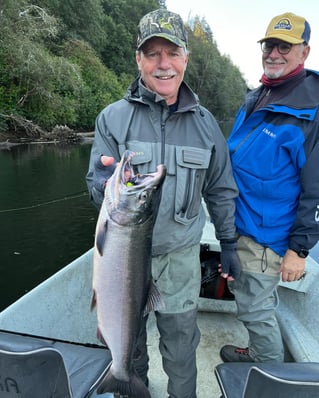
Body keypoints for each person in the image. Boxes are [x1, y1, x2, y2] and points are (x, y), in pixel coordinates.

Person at [86, 7, 241, 398]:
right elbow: (96, 182)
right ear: (138, 59)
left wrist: (229, 242)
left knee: (181, 348)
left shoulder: (207, 125)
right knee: (130, 345)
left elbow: (221, 189)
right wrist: (105, 184)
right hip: (123, 258)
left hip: (181, 259)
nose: (163, 64)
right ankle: (128, 386)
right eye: (152, 53)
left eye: (172, 53)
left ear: (186, 58)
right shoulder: (112, 118)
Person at [220, 12, 319, 363]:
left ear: (304, 53)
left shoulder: (312, 111)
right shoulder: (258, 96)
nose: (274, 53)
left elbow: (316, 190)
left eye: (284, 47)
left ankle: (266, 372)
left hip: (268, 238)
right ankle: (260, 352)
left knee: (256, 311)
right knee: (246, 299)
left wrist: (299, 250)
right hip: (240, 228)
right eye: (269, 45)